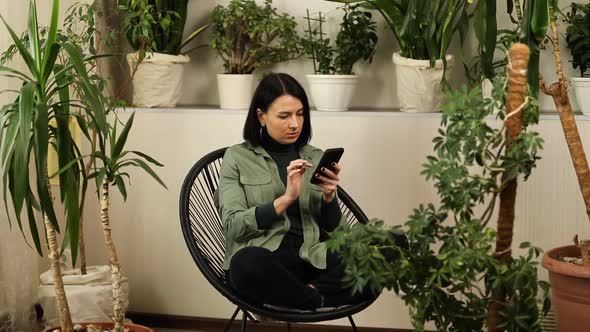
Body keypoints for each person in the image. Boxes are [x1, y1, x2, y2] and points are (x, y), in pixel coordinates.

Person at [218, 73, 372, 310]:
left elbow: (340, 233)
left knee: (389, 244)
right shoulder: (237, 157)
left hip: (314, 259)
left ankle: (307, 296)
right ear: (261, 116)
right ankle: (320, 298)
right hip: (270, 262)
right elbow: (233, 226)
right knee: (244, 264)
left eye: (300, 114)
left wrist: (330, 198)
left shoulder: (315, 157)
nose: (294, 124)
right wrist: (286, 199)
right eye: (284, 116)